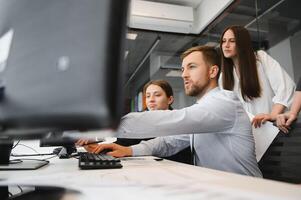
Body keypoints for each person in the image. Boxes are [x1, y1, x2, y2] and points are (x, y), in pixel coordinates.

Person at [77, 45, 262, 177]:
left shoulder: (225, 103)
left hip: (247, 190)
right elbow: (168, 143)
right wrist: (128, 150)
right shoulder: (201, 110)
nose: (184, 74)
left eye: (192, 67)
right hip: (217, 187)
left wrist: (103, 125)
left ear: (213, 71)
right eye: (182, 69)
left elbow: (173, 121)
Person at [219, 25, 295, 128]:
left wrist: (272, 115)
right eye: (224, 41)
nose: (226, 45)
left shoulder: (260, 59)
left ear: (242, 43)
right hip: (249, 135)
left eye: (232, 41)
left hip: (275, 128)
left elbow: (286, 88)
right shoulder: (224, 77)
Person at [115, 80, 192, 164]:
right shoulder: (142, 121)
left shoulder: (180, 121)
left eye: (157, 95)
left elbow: (168, 145)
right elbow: (125, 142)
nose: (151, 100)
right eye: (148, 96)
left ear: (169, 99)